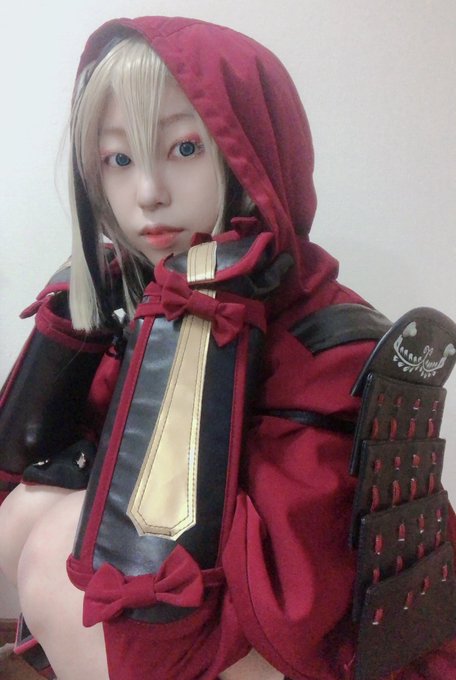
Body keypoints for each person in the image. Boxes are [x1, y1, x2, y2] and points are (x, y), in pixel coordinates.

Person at [0, 16, 455, 680]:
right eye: (118, 160)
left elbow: (308, 598)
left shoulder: (328, 338)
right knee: (28, 511)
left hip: (309, 646)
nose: (148, 193)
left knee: (50, 556)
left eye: (184, 149)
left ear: (254, 151)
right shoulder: (151, 295)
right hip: (204, 615)